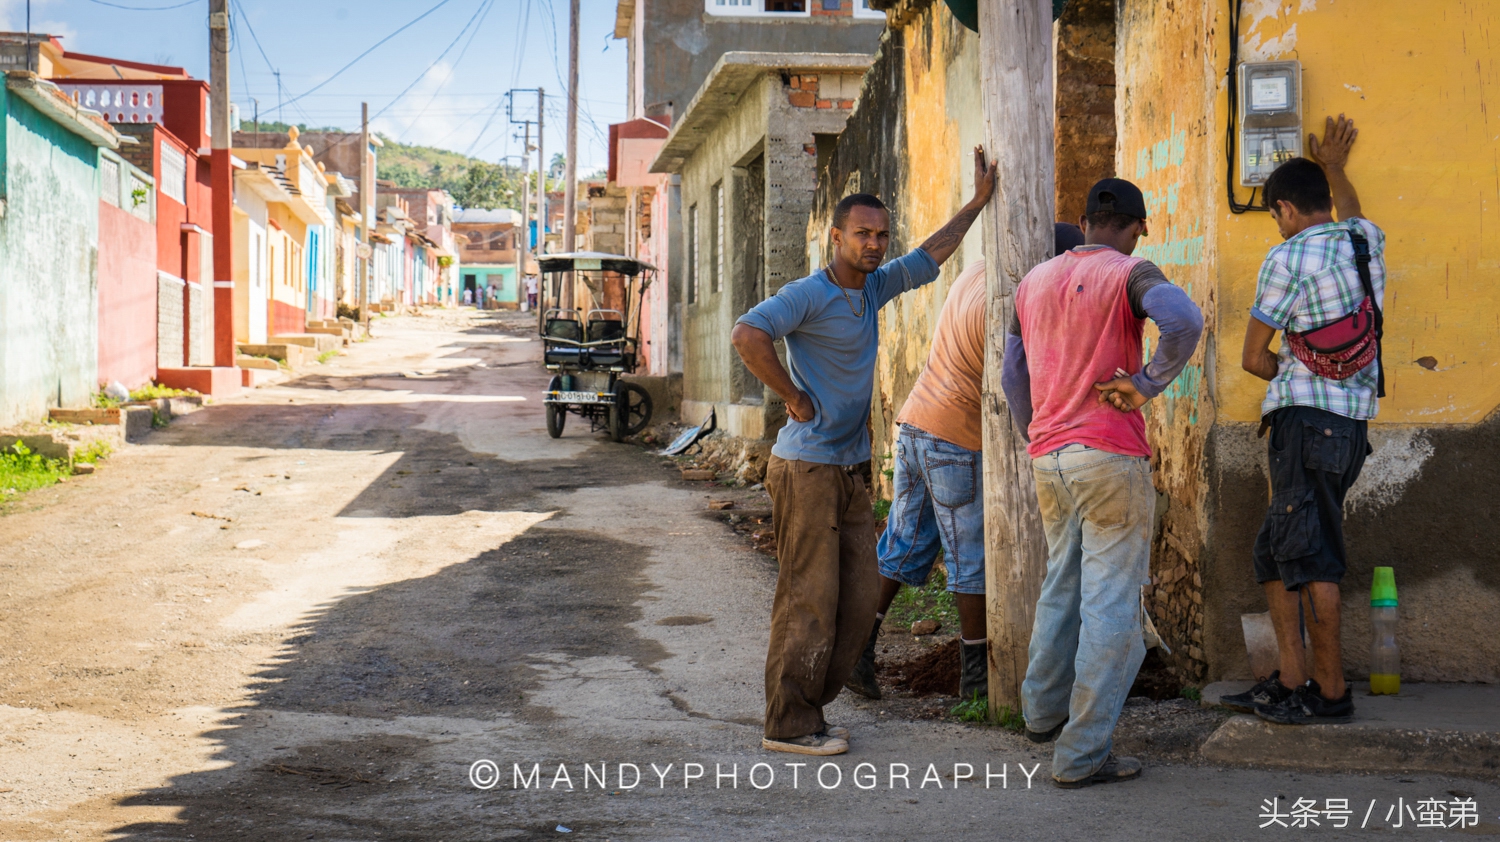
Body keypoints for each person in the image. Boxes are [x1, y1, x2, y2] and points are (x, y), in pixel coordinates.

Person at [732, 147, 997, 757]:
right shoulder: (809, 293)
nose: (874, 244)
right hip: (807, 468)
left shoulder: (872, 289)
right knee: (808, 598)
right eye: (862, 234)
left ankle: (813, 713)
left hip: (849, 469)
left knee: (853, 601)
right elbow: (748, 333)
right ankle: (788, 723)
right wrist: (792, 396)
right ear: (837, 237)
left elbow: (929, 256)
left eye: (881, 234)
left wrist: (977, 205)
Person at [1001, 177, 1203, 788]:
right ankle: (1083, 754)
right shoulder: (1131, 272)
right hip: (1109, 456)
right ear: (1138, 225)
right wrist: (1144, 384)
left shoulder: (1034, 281)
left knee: (1061, 585)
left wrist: (1036, 429)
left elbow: (1013, 369)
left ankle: (1041, 717)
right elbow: (1185, 320)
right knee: (1111, 605)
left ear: (1083, 221)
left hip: (1050, 457)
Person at [846, 223, 1086, 704]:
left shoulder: (979, 270)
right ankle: (977, 678)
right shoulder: (1013, 300)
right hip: (956, 439)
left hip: (917, 424)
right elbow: (1018, 381)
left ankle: (856, 650)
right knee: (971, 558)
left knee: (902, 544)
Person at [1219, 115, 1383, 726]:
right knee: (1275, 553)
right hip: (1352, 428)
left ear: (1285, 209)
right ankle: (1290, 679)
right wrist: (1336, 166)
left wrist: (1294, 370)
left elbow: (1252, 356)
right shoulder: (1365, 242)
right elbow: (1353, 210)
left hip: (1306, 425)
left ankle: (1330, 691)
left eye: (1275, 214)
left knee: (1311, 556)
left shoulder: (1286, 257)